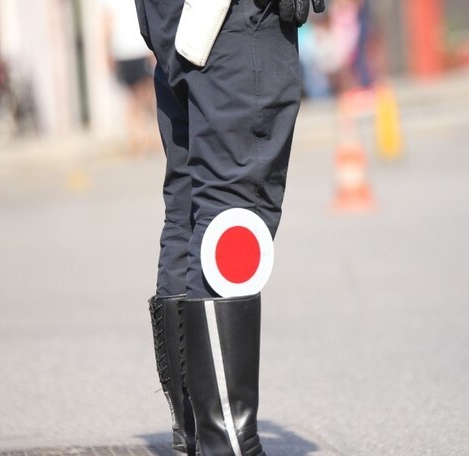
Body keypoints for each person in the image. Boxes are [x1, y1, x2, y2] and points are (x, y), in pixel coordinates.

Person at [135, 0, 324, 455]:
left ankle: (199, 433)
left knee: (192, 209)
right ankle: (229, 444)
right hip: (232, 19)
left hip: (176, 19)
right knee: (233, 214)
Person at [103, 0, 157, 156]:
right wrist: (107, 52)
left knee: (142, 96)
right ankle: (137, 138)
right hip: (127, 51)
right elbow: (107, 23)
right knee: (136, 98)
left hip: (138, 50)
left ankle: (142, 137)